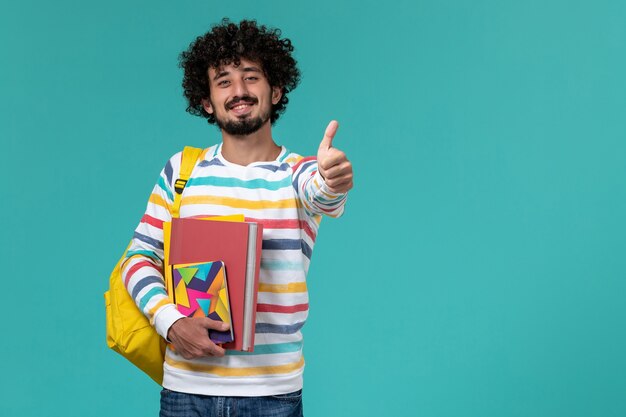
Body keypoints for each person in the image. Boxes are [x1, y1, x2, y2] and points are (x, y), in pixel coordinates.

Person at [121, 18, 353, 417]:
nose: (240, 91)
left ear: (275, 90)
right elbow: (138, 258)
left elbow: (324, 195)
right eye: (224, 81)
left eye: (251, 77)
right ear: (207, 101)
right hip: (185, 392)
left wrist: (334, 178)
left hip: (272, 396)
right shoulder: (182, 172)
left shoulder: (298, 173)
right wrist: (170, 322)